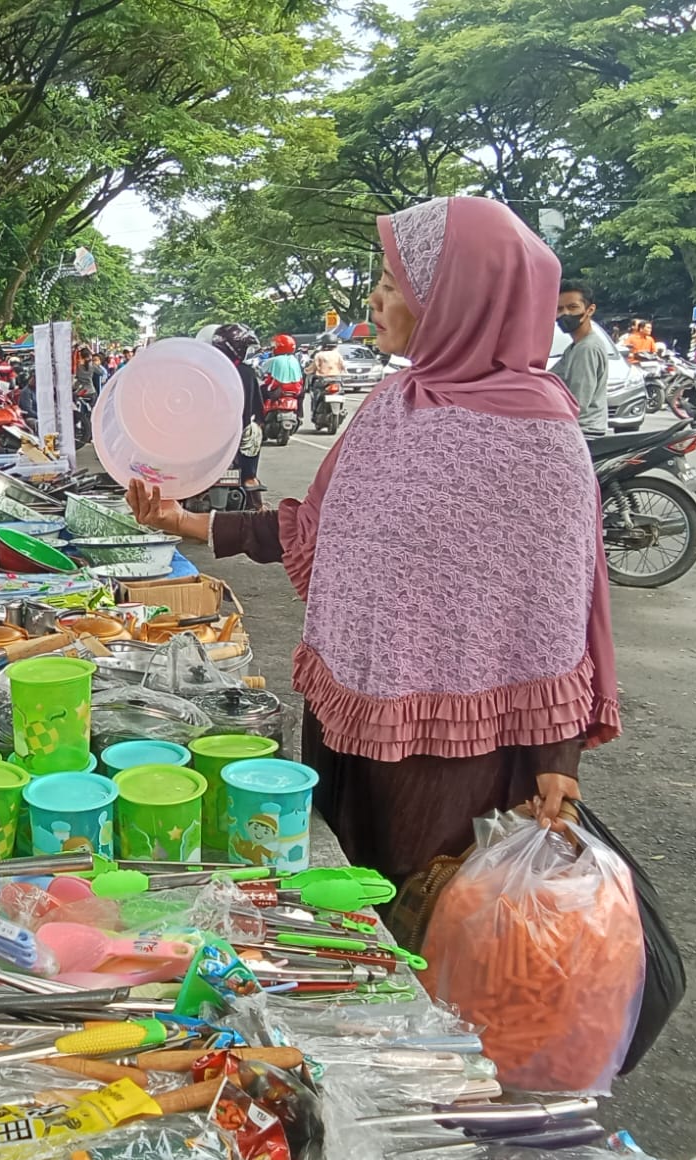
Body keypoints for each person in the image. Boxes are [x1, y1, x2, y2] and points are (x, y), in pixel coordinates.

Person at [127, 196, 620, 882]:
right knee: (342, 892)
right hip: (347, 718)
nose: (374, 298)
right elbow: (322, 533)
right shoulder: (395, 405)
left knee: (433, 918)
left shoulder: (541, 437)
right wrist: (184, 522)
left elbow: (556, 617)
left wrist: (555, 762)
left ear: (455, 299)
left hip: (458, 759)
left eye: (393, 285)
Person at [200, 323, 265, 492]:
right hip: (236, 433)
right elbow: (256, 410)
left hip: (203, 434)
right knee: (255, 432)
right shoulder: (246, 372)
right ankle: (250, 478)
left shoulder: (200, 370)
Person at [550, 281, 609, 437]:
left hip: (583, 432)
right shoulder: (574, 347)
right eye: (559, 309)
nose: (565, 314)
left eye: (573, 307)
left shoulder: (587, 348)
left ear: (589, 310)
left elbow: (577, 402)